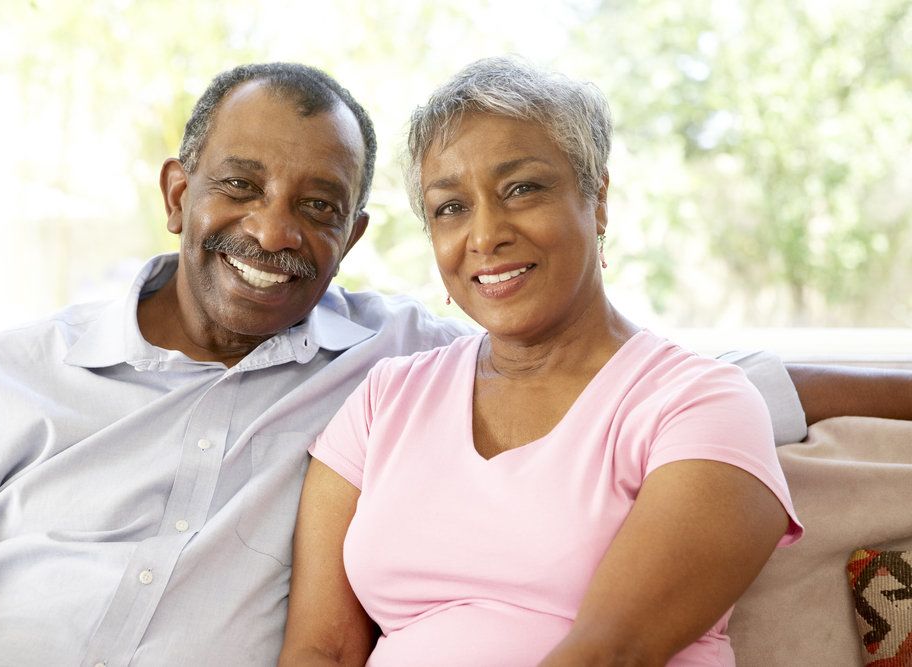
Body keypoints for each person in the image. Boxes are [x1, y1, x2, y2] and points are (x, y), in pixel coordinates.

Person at [0, 60, 905, 666]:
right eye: (240, 186)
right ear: (178, 194)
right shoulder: (5, 378)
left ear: (350, 237)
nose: (273, 230)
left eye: (316, 206)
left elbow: (665, 402)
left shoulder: (392, 361)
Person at [278, 57, 803, 666]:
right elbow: (319, 650)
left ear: (597, 198)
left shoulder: (698, 403)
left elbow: (612, 653)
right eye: (450, 207)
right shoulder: (383, 401)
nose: (485, 235)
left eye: (522, 189)